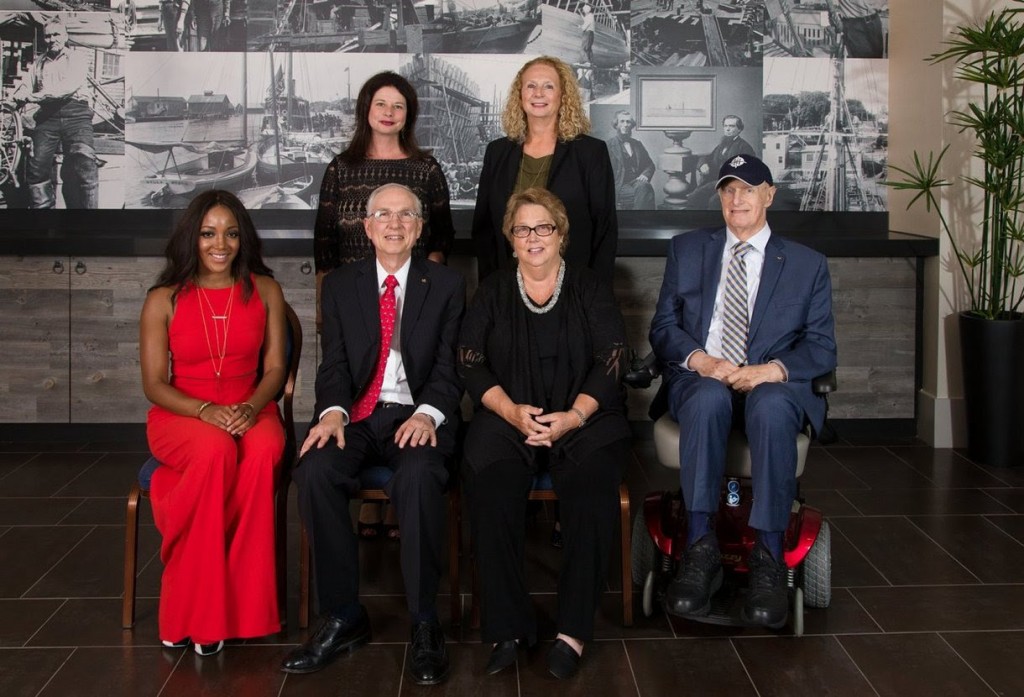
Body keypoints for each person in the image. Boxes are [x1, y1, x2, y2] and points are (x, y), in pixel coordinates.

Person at [283, 184, 465, 685]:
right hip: (358, 416)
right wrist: (333, 412)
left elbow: (451, 368)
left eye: (406, 214)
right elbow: (334, 364)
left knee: (421, 477)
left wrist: (428, 414)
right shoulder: (341, 285)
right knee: (316, 471)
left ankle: (425, 621)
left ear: (419, 227)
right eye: (383, 214)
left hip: (416, 412)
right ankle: (342, 615)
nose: (394, 223)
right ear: (366, 227)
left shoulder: (446, 285)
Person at [649, 155, 837, 629]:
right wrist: (702, 361)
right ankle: (699, 548)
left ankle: (770, 559)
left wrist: (771, 370)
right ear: (719, 197)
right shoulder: (687, 250)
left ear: (769, 195)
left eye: (749, 189)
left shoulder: (806, 265)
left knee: (773, 406)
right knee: (709, 396)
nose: (738, 199)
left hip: (769, 384)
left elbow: (821, 346)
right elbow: (665, 328)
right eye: (729, 190)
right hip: (702, 379)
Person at [460, 188, 630, 679]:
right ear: (510, 240)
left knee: (593, 485)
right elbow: (469, 360)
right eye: (521, 229)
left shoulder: (591, 287)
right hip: (507, 415)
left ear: (561, 235)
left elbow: (614, 356)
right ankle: (508, 627)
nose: (532, 237)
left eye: (543, 227)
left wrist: (574, 416)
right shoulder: (492, 289)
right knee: (489, 483)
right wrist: (510, 411)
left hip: (585, 418)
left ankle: (572, 631)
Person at [139, 190, 288, 656]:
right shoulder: (163, 299)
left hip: (251, 405)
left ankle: (242, 611)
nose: (219, 243)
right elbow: (153, 384)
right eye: (208, 233)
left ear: (243, 239)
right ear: (192, 238)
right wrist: (205, 412)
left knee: (263, 451)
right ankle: (193, 610)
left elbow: (276, 369)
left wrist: (249, 407)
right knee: (215, 451)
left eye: (230, 233)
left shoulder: (265, 290)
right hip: (182, 412)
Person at [314, 71, 456, 538]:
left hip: (410, 296)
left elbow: (438, 240)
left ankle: (398, 506)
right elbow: (326, 242)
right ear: (366, 111)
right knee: (357, 389)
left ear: (408, 114)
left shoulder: (426, 167)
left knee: (407, 396)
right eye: (381, 103)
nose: (389, 112)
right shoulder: (341, 167)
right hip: (353, 300)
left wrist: (424, 292)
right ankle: (370, 508)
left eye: (398, 105)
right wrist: (325, 305)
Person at [472, 56, 617, 284]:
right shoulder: (497, 152)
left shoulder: (590, 153)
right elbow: (484, 230)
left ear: (563, 96)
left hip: (572, 288)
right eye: (531, 86)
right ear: (520, 95)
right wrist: (490, 290)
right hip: (507, 287)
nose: (538, 93)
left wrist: (595, 295)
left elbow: (604, 230)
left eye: (548, 86)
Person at [6, 18, 98, 209]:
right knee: (37, 168)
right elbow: (24, 86)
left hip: (77, 115)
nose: (52, 39)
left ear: (65, 36)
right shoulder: (38, 63)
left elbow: (66, 88)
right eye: (48, 35)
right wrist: (14, 98)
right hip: (47, 117)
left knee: (84, 164)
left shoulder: (77, 58)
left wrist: (33, 96)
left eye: (56, 34)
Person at [687, 114, 756, 209]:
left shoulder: (745, 147)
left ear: (739, 129)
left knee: (713, 202)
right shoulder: (722, 145)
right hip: (716, 182)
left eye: (731, 126)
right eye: (726, 126)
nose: (727, 129)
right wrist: (703, 165)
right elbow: (707, 157)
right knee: (694, 197)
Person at [606, 110, 656, 210]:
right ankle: (642, 221)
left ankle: (638, 221)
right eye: (622, 121)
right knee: (646, 191)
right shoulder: (608, 145)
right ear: (616, 124)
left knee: (644, 187)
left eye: (628, 122)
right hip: (619, 185)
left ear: (631, 125)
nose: (625, 125)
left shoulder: (637, 144)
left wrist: (645, 174)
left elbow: (650, 164)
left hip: (635, 183)